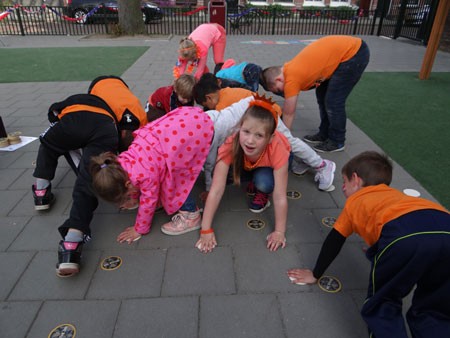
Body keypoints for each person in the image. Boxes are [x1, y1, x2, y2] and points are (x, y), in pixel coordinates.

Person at [287, 151, 450, 338]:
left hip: (403, 236)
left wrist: (315, 274)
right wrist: (381, 247)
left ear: (356, 180)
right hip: (444, 221)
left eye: (344, 181)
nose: (343, 187)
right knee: (436, 307)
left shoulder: (355, 202)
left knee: (383, 303)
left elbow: (335, 240)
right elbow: (391, 222)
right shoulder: (393, 195)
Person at [32, 76, 148, 277]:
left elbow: (52, 117)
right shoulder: (119, 105)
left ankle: (41, 191)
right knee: (88, 179)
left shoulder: (71, 102)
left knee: (48, 145)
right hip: (105, 127)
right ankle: (72, 242)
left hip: (73, 120)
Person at [90, 106, 214, 242]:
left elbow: (149, 201)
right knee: (164, 176)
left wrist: (139, 229)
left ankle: (191, 215)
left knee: (178, 181)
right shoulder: (120, 163)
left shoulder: (144, 176)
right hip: (182, 124)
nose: (128, 198)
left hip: (191, 133)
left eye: (126, 196)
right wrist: (132, 197)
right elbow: (133, 184)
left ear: (127, 184)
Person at [194, 75, 336, 194]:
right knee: (280, 142)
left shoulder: (220, 108)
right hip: (258, 113)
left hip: (266, 114)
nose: (207, 108)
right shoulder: (223, 95)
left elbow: (216, 149)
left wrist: (209, 185)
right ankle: (303, 160)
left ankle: (321, 165)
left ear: (210, 97)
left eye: (206, 104)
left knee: (289, 141)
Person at [197, 96, 291, 253]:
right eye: (246, 132)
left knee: (265, 182)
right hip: (248, 162)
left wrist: (279, 232)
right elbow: (217, 189)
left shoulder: (278, 148)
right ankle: (252, 177)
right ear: (240, 127)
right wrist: (205, 229)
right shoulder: (231, 144)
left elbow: (280, 196)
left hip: (268, 165)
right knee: (221, 175)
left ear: (270, 138)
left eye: (259, 135)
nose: (250, 140)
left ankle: (259, 187)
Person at [261, 35, 370, 153]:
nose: (281, 93)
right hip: (339, 56)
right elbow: (316, 75)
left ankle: (337, 141)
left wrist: (283, 139)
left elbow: (289, 113)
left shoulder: (291, 79)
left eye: (277, 90)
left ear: (278, 80)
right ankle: (324, 133)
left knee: (333, 101)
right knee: (322, 95)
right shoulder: (290, 69)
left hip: (353, 53)